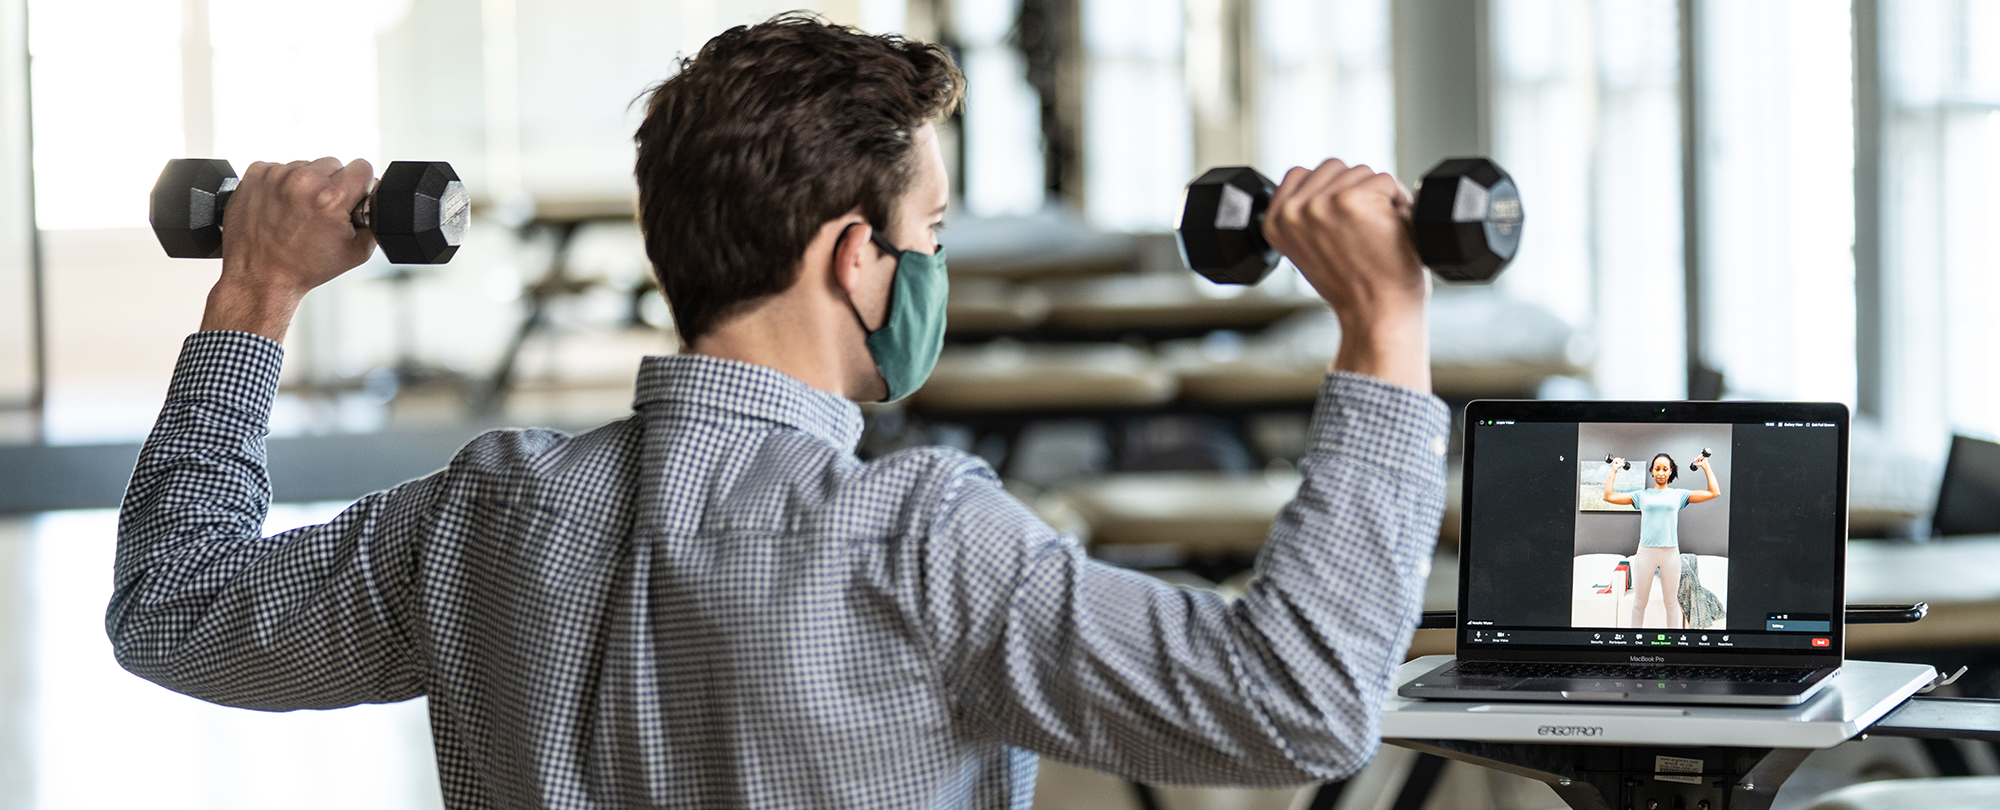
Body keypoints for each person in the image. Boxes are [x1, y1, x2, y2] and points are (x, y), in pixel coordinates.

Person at [109, 14, 1449, 808]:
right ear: (854, 257)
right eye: (929, 232)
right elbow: (1302, 705)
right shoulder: (924, 543)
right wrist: (1382, 330)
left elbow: (174, 610)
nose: (936, 268)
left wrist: (257, 294)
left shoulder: (480, 512)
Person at [1603, 451, 1722, 629]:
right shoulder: (1641, 495)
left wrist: (1706, 466)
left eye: (1665, 469)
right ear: (1652, 471)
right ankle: (1637, 640)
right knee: (1639, 603)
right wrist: (1614, 470)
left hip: (1670, 554)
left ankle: (1672, 644)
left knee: (1671, 603)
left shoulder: (1679, 495)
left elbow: (1714, 492)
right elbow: (1608, 497)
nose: (1660, 472)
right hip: (1646, 552)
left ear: (1670, 472)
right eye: (1657, 468)